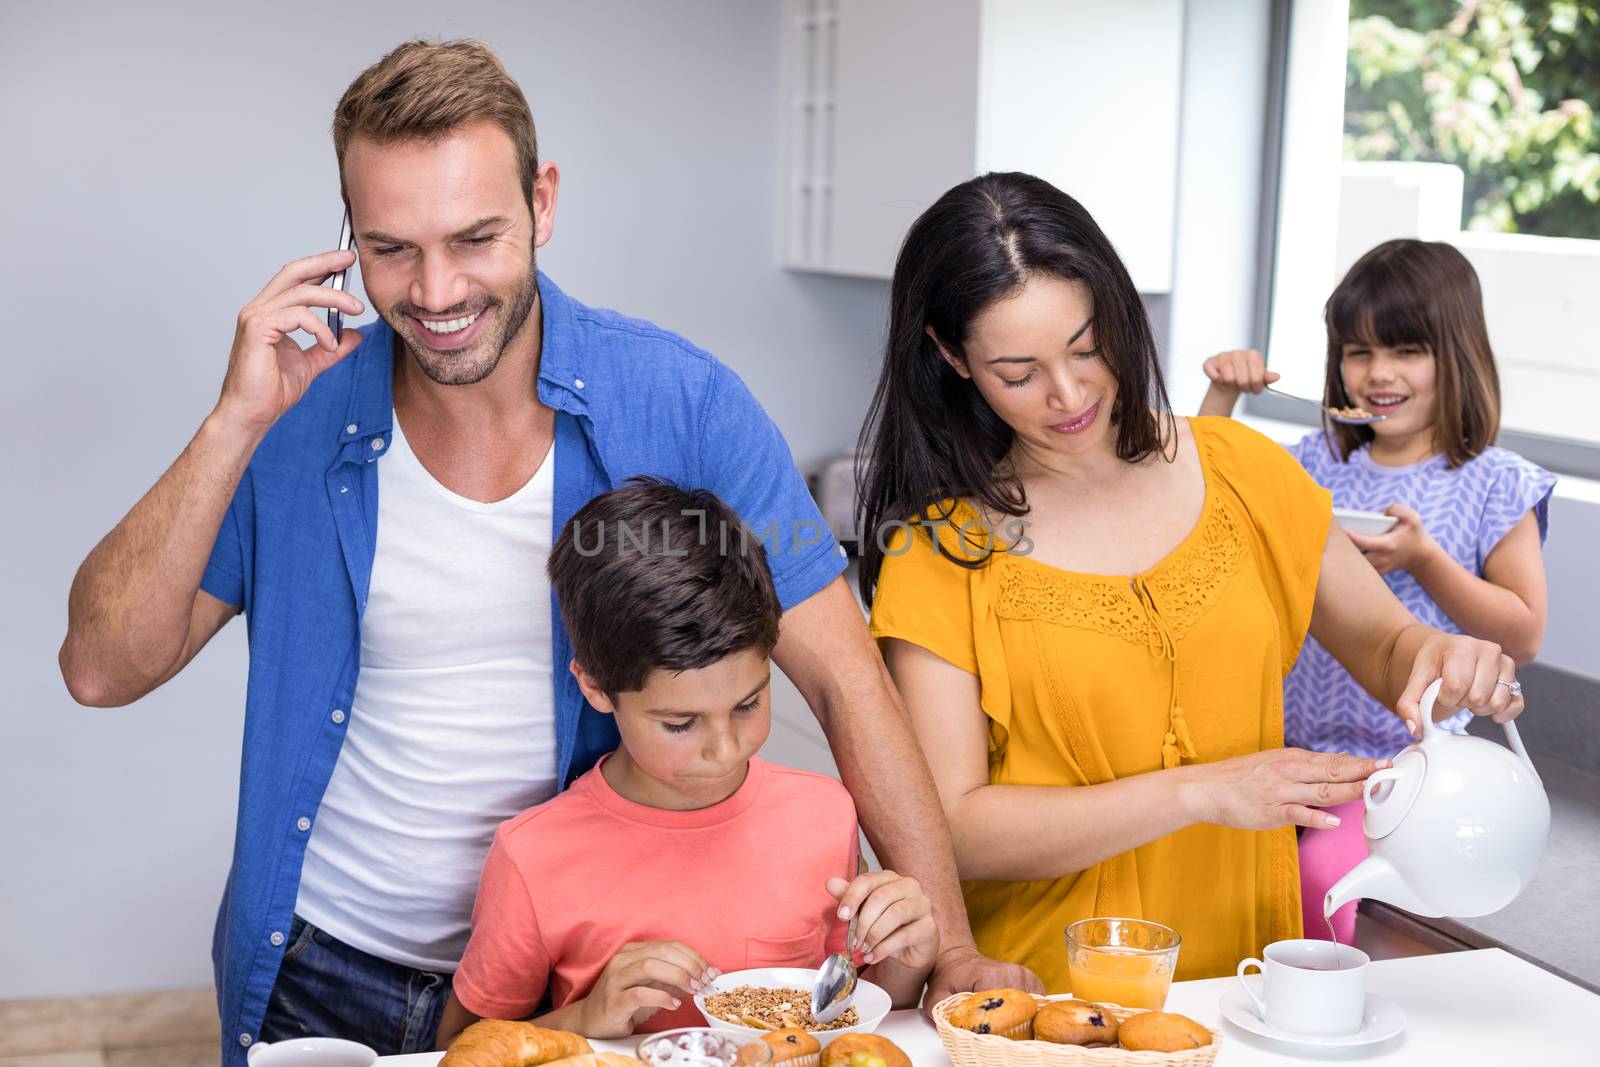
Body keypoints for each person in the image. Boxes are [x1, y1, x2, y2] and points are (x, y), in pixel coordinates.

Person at [56, 40, 1028, 1065]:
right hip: (318, 968)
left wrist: (951, 943)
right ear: (349, 235)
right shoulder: (296, 415)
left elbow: (842, 679)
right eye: (392, 248)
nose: (436, 291)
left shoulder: (681, 402)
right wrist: (233, 421)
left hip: (577, 988)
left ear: (542, 203)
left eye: (476, 237)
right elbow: (101, 668)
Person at [854, 172, 1526, 989]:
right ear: (953, 355)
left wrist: (1444, 657)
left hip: (1245, 980)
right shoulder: (942, 548)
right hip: (1050, 996)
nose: (1069, 394)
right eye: (1018, 372)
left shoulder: (1241, 469)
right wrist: (1201, 792)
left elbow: (1390, 643)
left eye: (1086, 346)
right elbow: (952, 826)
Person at [434, 479, 938, 1045]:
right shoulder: (533, 855)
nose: (725, 750)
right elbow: (459, 1047)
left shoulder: (824, 814)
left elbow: (844, 1011)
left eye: (747, 704)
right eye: (680, 723)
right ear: (597, 688)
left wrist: (911, 958)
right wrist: (582, 1017)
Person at [1197, 238, 1554, 944]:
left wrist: (1424, 559)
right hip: (1286, 749)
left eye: (1406, 350)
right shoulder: (1310, 466)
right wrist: (1222, 396)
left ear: (1457, 354)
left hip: (1402, 764)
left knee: (1320, 880)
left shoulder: (1494, 480)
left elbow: (1524, 634)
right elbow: (1202, 493)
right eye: (1358, 352)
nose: (1378, 372)